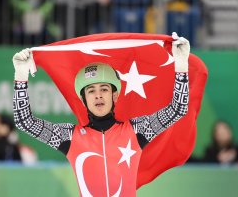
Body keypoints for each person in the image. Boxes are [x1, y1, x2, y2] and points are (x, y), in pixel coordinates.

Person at [13, 33, 190, 196]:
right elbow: (24, 122)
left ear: (114, 95)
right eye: (91, 91)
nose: (98, 95)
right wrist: (20, 76)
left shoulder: (136, 130)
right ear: (84, 100)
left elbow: (178, 109)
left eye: (104, 89)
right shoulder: (69, 137)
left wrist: (181, 64)